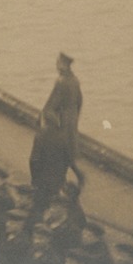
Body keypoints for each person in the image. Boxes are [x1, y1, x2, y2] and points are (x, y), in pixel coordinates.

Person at [42, 52, 84, 181]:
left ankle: (60, 182)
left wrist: (46, 117)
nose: (56, 65)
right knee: (67, 151)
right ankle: (77, 176)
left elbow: (53, 103)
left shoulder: (61, 81)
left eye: (58, 62)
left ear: (63, 65)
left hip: (61, 121)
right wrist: (74, 116)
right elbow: (79, 100)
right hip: (71, 120)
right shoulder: (75, 80)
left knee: (56, 152)